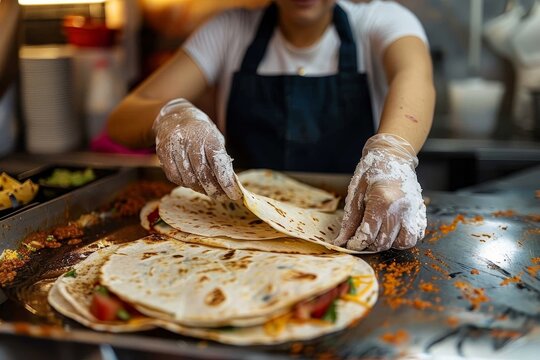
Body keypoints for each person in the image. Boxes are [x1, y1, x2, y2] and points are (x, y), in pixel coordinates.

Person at [107, 0, 435, 252]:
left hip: (352, 224)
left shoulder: (381, 21)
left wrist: (392, 154)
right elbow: (122, 120)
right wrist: (170, 115)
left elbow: (414, 77)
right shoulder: (229, 31)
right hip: (235, 229)